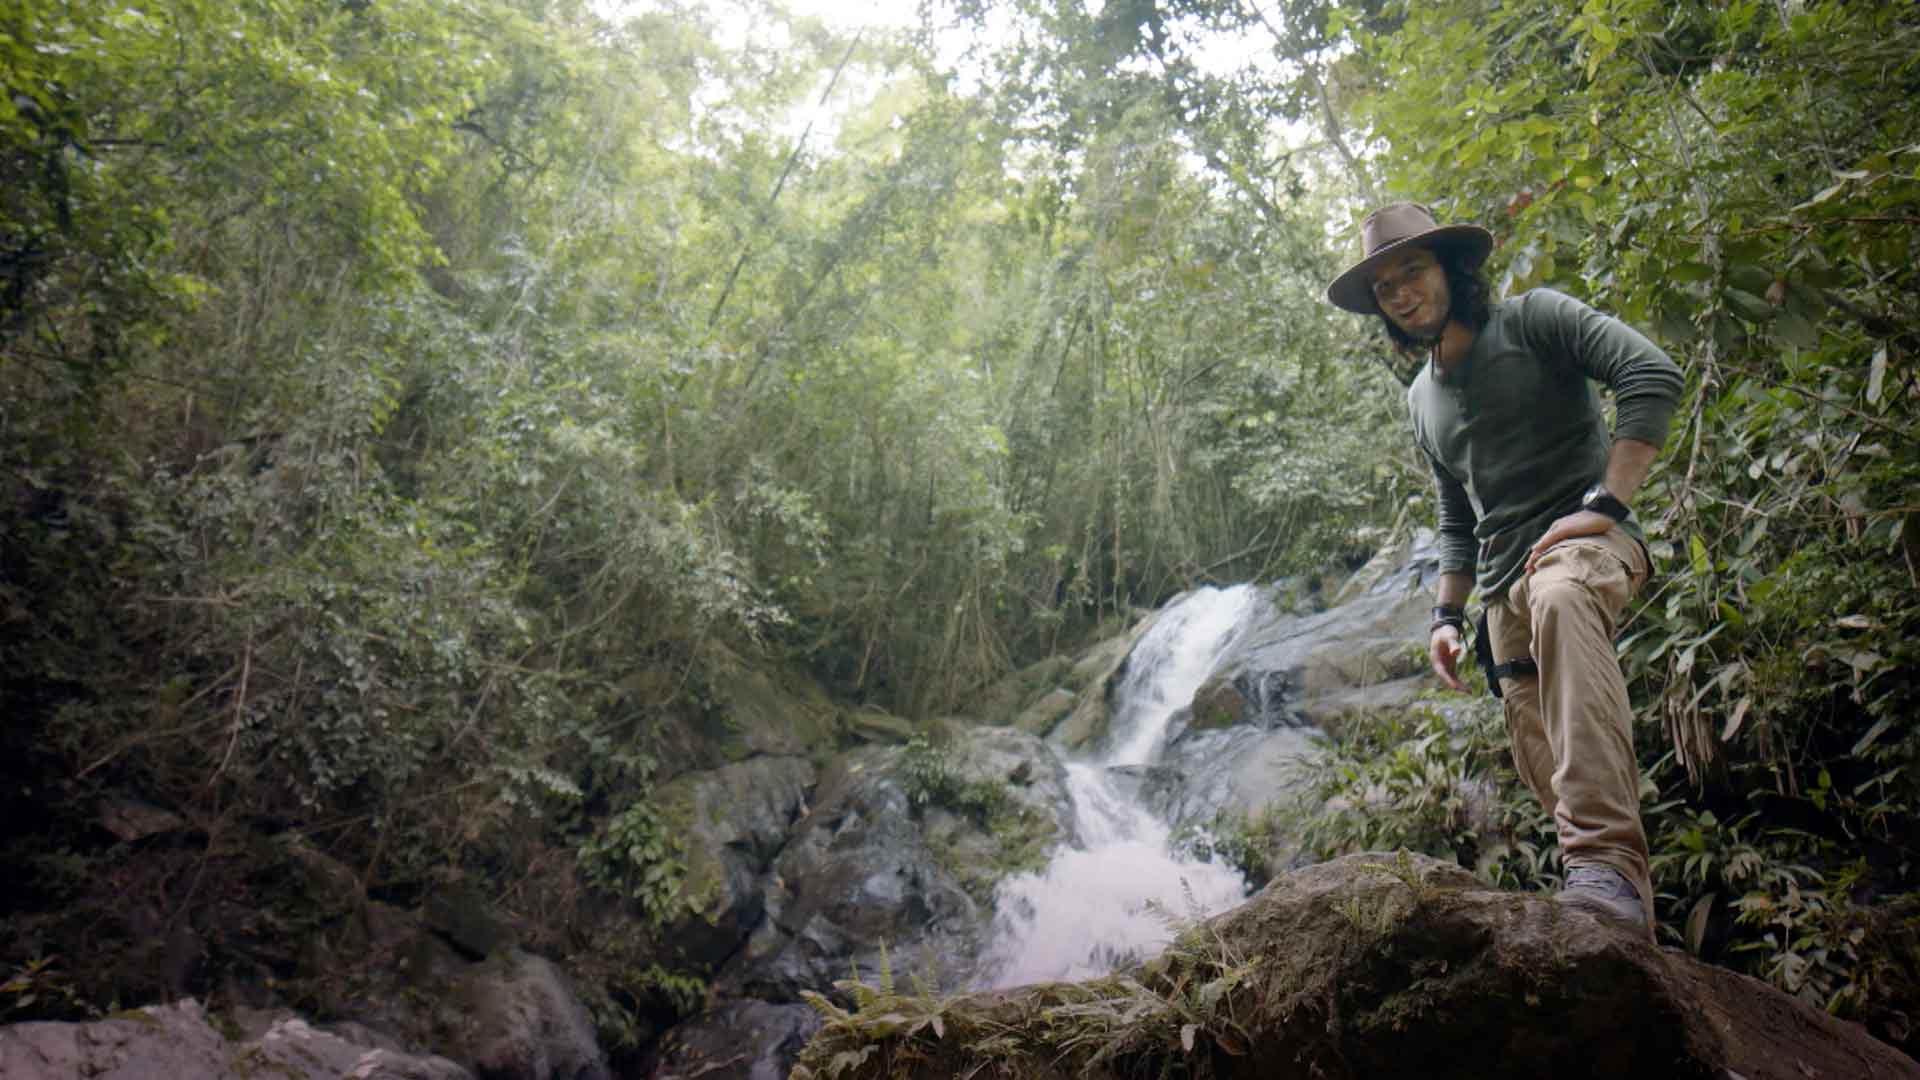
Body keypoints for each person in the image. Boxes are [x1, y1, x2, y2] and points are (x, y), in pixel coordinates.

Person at [1325, 202, 1685, 937]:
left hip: (1579, 551)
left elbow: (1649, 372)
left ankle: (1603, 864)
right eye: (1385, 287)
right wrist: (1446, 617)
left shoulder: (1535, 319)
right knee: (1537, 740)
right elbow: (1457, 515)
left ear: (1451, 269)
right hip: (1499, 589)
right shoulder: (1421, 399)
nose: (1400, 293)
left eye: (1412, 271)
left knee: (1559, 595)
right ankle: (1620, 921)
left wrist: (1607, 504)